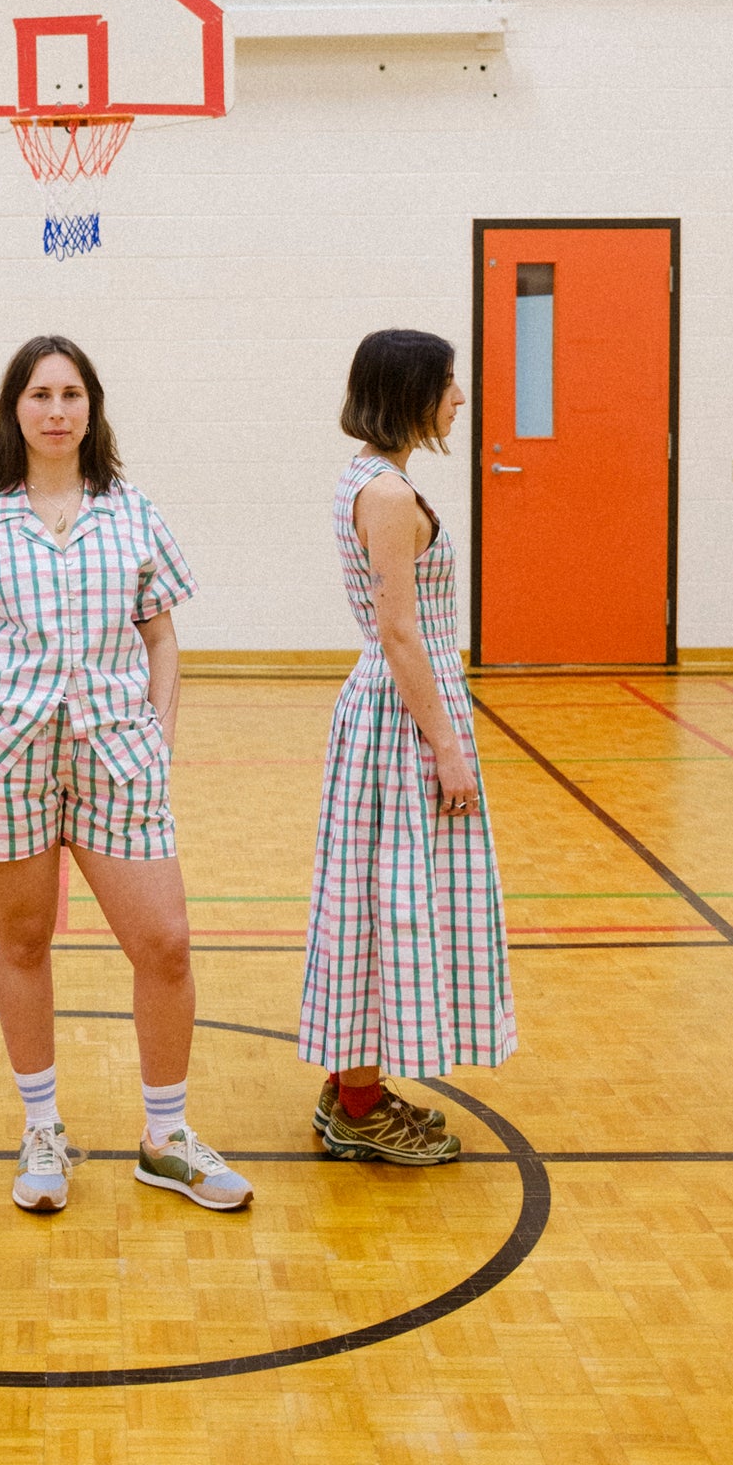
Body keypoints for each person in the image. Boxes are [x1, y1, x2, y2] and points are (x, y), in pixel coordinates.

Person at [0, 336, 252, 1216]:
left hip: (117, 757)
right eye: (39, 394)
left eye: (70, 394)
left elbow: (161, 636)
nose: (56, 410)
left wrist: (160, 730)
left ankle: (165, 1137)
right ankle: (41, 1129)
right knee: (24, 944)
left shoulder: (130, 512)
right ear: (13, 410)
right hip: (6, 762)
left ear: (91, 407)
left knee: (164, 944)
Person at [301, 328, 516, 1164]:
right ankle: (356, 1105)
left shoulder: (371, 478)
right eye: (449, 384)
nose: (458, 398)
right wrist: (449, 750)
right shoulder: (386, 495)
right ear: (410, 391)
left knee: (375, 901)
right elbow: (399, 634)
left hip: (393, 714)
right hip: (400, 719)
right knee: (378, 906)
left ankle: (354, 1087)